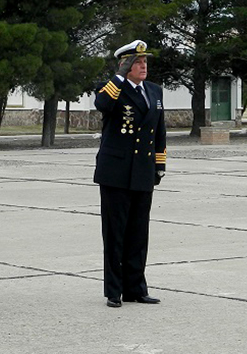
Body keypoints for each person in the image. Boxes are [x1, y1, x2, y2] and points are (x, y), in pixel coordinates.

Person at [94, 39, 167, 308]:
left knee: (139, 232)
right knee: (115, 233)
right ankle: (114, 290)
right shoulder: (112, 89)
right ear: (124, 65)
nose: (143, 65)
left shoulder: (154, 91)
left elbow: (159, 131)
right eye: (137, 61)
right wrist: (119, 75)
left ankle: (136, 288)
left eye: (145, 61)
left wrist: (160, 165)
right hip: (115, 172)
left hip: (143, 171)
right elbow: (102, 104)